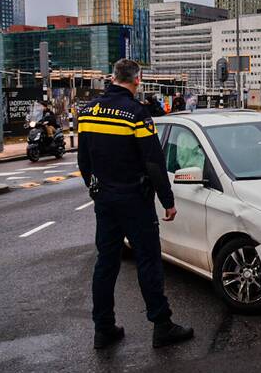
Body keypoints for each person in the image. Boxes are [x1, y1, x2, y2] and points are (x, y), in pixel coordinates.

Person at [77, 59, 193, 350]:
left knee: (106, 263)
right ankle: (162, 325)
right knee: (148, 261)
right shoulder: (136, 114)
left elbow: (83, 160)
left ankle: (103, 329)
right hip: (134, 200)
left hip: (105, 199)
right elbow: (153, 162)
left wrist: (94, 188)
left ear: (113, 77)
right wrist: (167, 200)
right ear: (137, 80)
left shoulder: (88, 111)